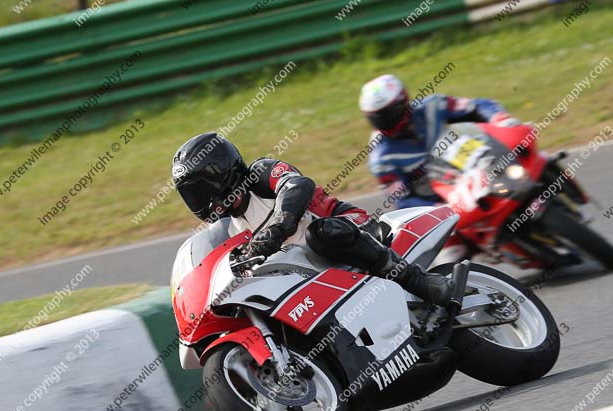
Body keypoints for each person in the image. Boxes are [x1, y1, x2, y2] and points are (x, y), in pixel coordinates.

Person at [171, 132, 457, 306]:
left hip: (347, 226)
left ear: (221, 173)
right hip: (309, 269)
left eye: (200, 190)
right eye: (191, 194)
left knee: (320, 233)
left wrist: (280, 224)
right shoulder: (228, 227)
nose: (199, 200)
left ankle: (419, 282)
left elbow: (298, 185)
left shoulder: (260, 174)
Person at [359, 74, 519, 209]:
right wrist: (439, 211)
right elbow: (402, 200)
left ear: (403, 103)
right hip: (448, 206)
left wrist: (501, 119)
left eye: (388, 114)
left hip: (484, 170)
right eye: (377, 118)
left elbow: (477, 106)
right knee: (453, 248)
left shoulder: (434, 105)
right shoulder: (381, 160)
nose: (384, 122)